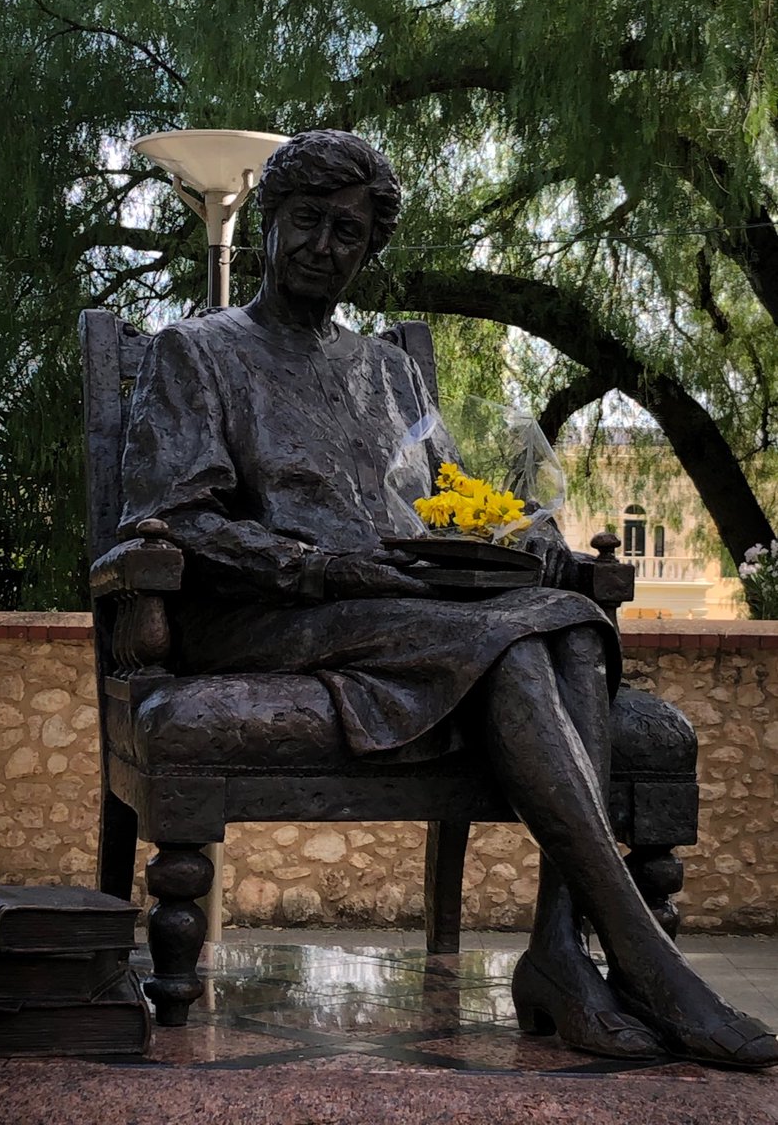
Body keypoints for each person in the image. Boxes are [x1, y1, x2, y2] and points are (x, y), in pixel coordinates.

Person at [120, 129, 777, 1067]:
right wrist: (318, 567)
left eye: (348, 232)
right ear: (270, 220)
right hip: (269, 617)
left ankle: (560, 952)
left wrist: (525, 542)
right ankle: (648, 958)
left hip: (405, 614)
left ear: (368, 247)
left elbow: (444, 509)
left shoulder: (387, 369)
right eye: (308, 221)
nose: (324, 246)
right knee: (520, 643)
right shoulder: (198, 351)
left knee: (573, 623)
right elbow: (170, 520)